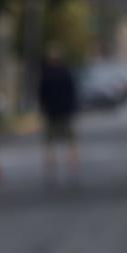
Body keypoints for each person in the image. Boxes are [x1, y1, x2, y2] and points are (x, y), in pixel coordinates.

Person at [37, 46, 79, 183]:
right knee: (70, 138)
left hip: (51, 111)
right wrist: (72, 108)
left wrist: (43, 109)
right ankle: (72, 162)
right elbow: (72, 92)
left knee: (49, 140)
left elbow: (41, 95)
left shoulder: (46, 75)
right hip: (65, 110)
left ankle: (51, 162)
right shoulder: (66, 73)